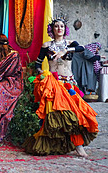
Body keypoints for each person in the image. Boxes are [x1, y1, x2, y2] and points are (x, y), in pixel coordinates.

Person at [23, 17, 99, 157]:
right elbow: (38, 64)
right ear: (52, 29)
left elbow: (82, 48)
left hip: (68, 82)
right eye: (56, 26)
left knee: (74, 114)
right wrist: (42, 73)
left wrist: (65, 51)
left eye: (62, 27)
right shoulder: (46, 45)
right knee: (53, 116)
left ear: (65, 29)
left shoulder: (71, 44)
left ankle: (78, 146)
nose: (59, 29)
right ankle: (49, 145)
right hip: (53, 84)